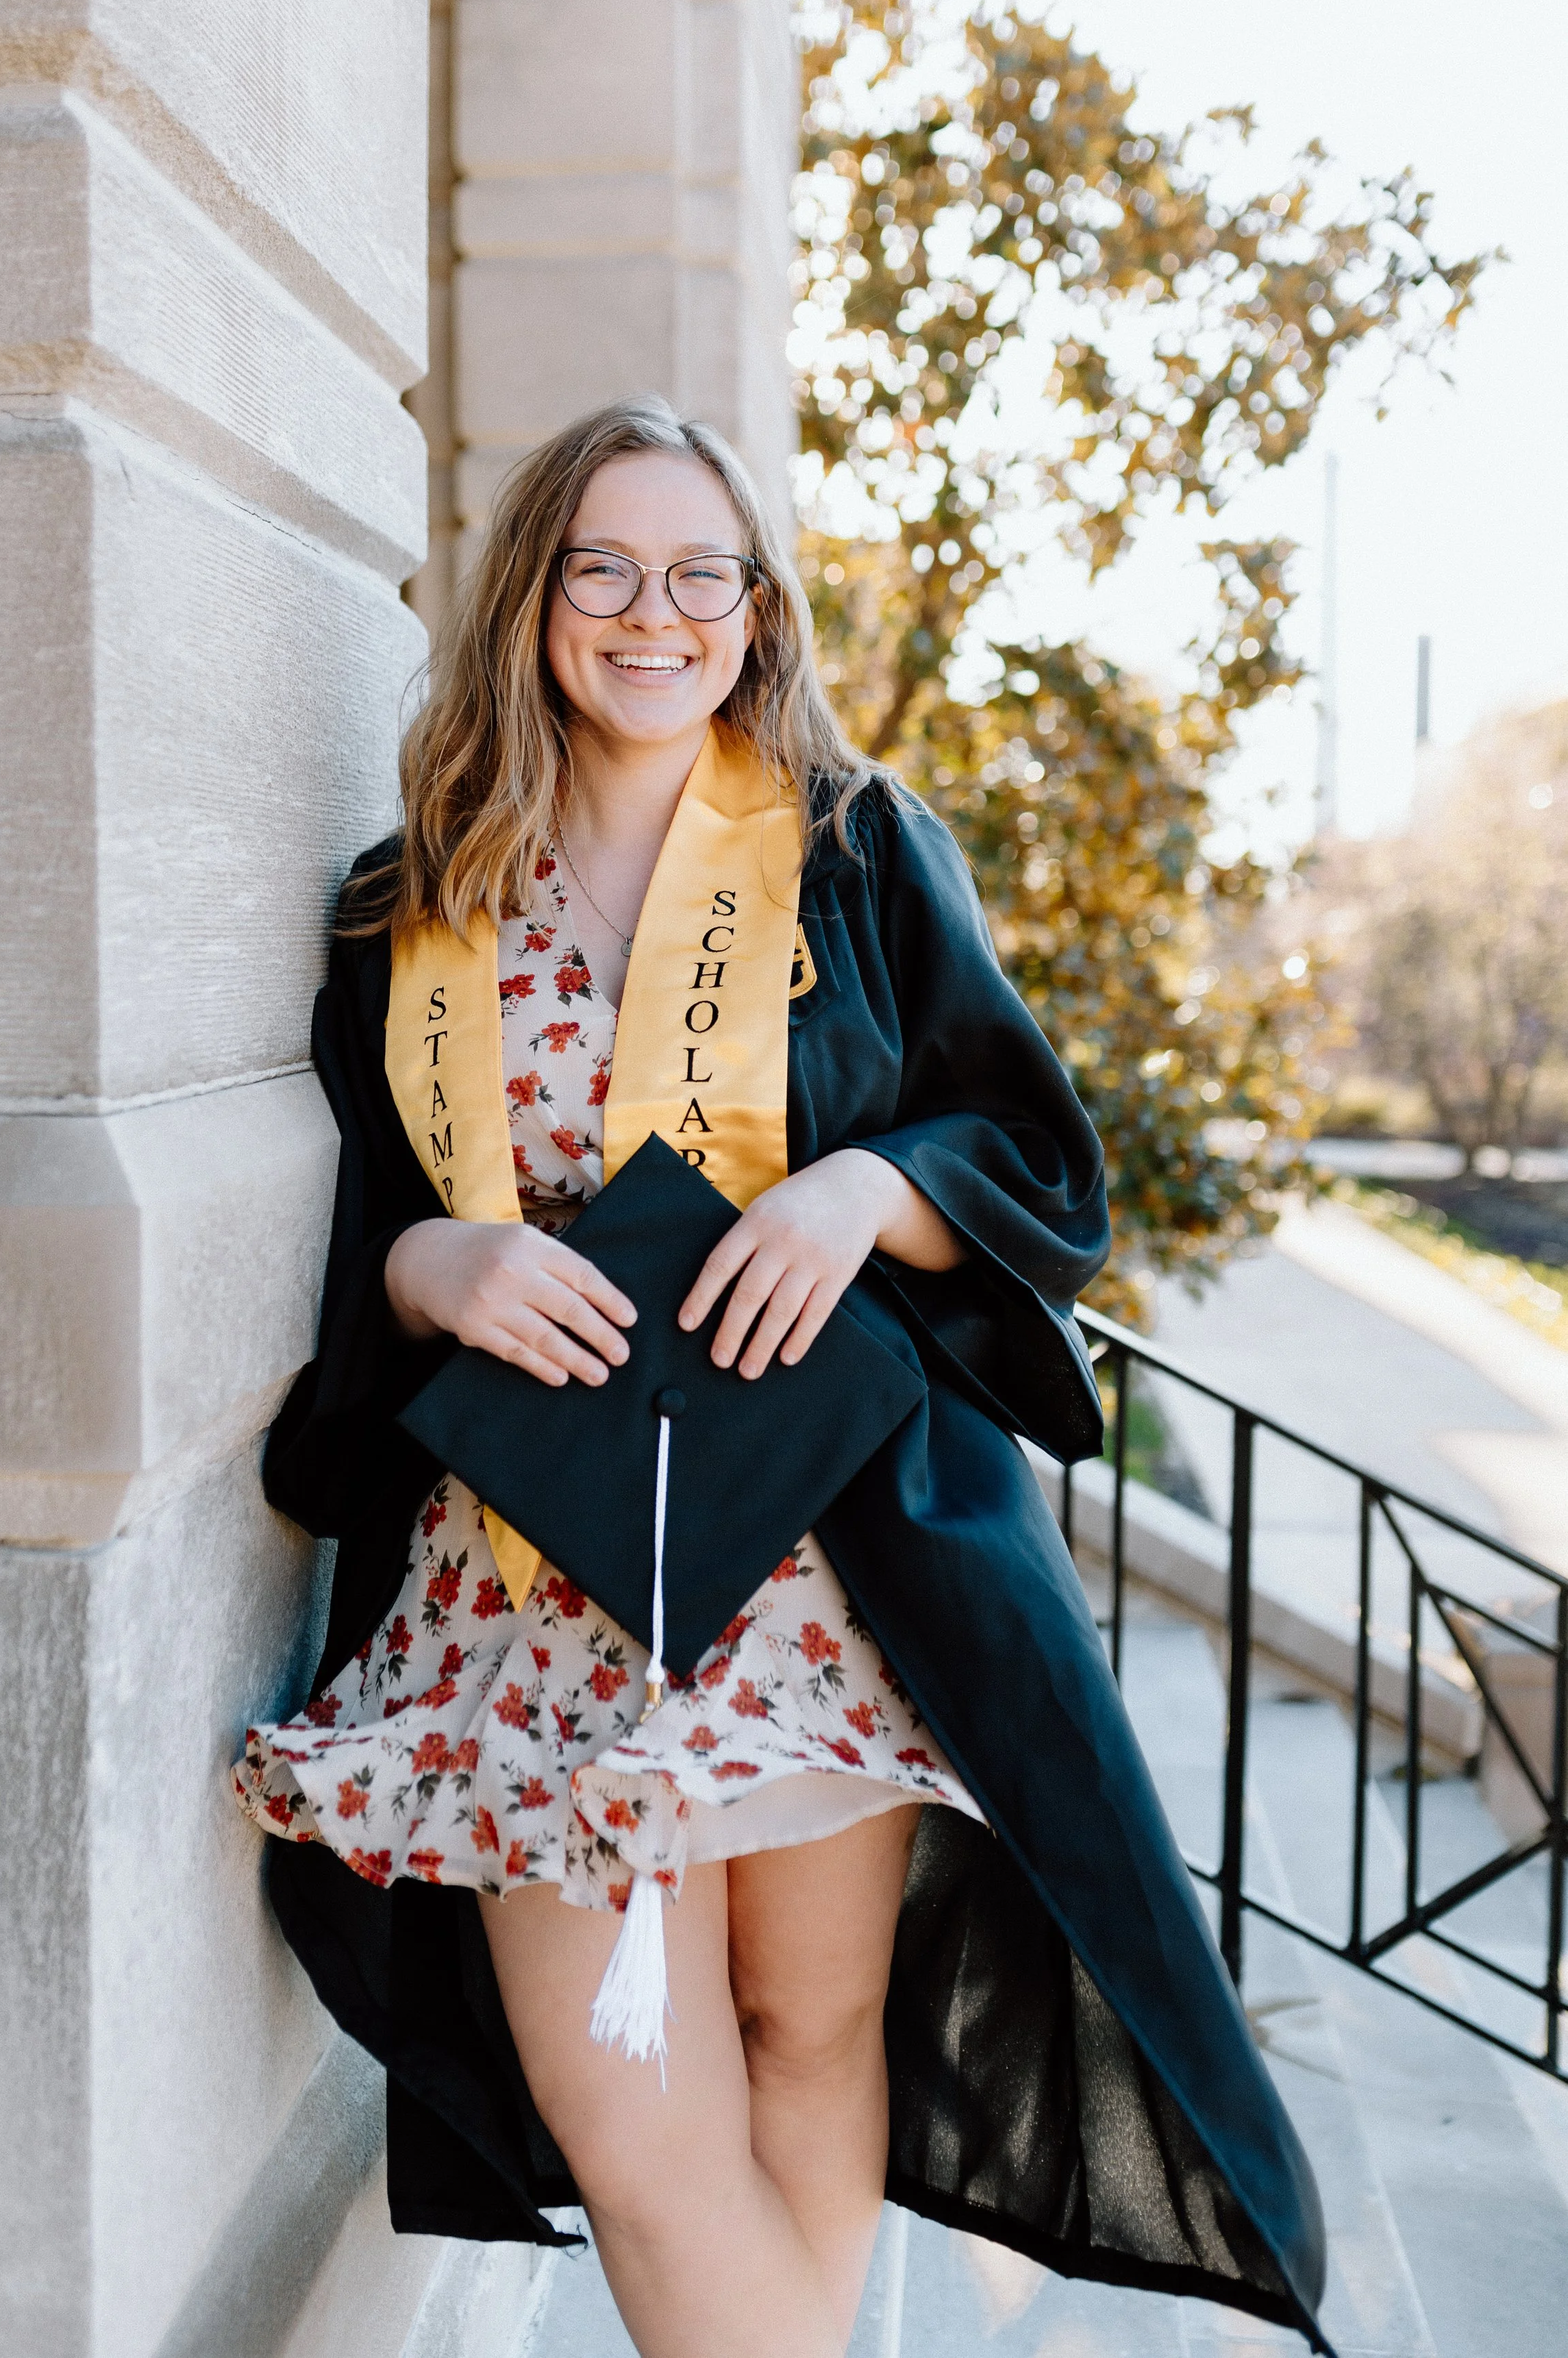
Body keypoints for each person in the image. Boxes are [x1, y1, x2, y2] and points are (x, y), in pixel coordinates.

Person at [237, 397, 1330, 2358]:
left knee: (806, 2028)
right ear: (531, 601)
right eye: (603, 569)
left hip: (823, 1559)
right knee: (632, 2117)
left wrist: (864, 1188)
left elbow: (1031, 1163)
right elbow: (357, 1231)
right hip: (525, 1584)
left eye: (698, 574)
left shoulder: (850, 850)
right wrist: (433, 1256)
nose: (652, 614)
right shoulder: (406, 907)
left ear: (754, 611)